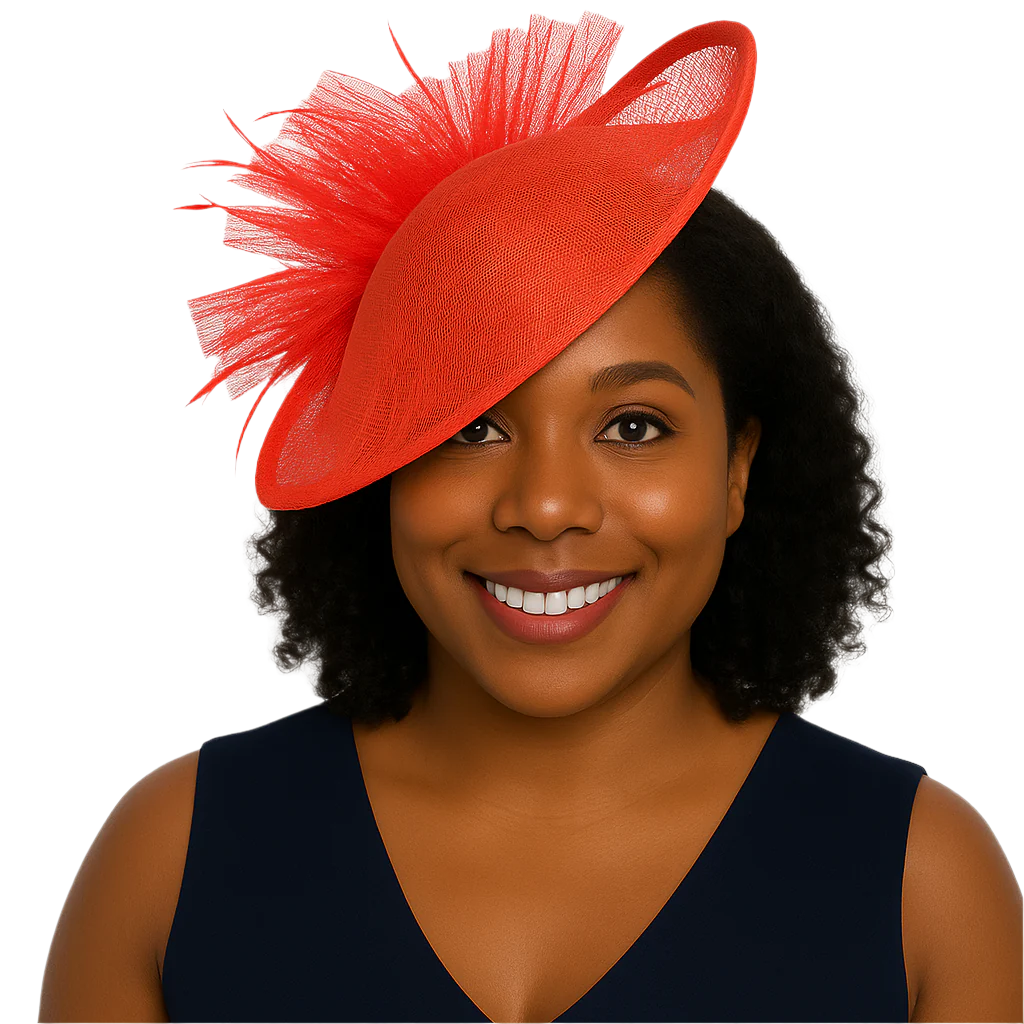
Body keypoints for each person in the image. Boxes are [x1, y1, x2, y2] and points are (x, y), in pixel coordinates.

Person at [39, 13, 1021, 1024]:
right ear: (380, 465)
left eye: (633, 426)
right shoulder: (168, 861)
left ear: (739, 468)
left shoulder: (925, 888)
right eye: (469, 426)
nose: (545, 506)